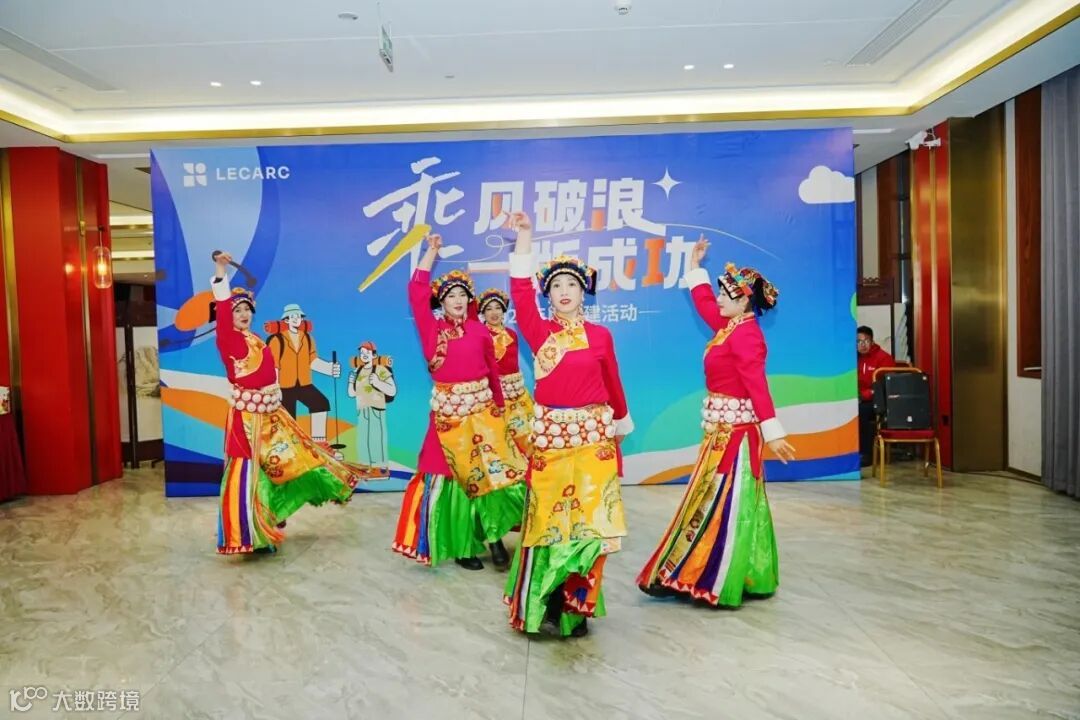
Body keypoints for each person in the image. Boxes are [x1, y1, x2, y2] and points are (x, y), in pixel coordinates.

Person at [637, 237, 795, 608]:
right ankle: (691, 570)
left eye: (726, 294)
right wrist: (694, 265)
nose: (719, 299)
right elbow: (705, 302)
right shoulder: (729, 327)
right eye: (721, 293)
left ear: (744, 301)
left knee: (727, 504)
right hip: (719, 435)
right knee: (709, 500)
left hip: (737, 440)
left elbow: (757, 386)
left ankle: (716, 577)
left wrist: (773, 432)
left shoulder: (747, 336)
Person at [503, 211, 633, 639]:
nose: (564, 292)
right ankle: (548, 599)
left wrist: (620, 424)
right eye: (556, 285)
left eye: (571, 285)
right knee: (549, 523)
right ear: (548, 294)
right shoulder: (539, 332)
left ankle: (577, 605)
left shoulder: (601, 336)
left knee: (592, 526)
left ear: (583, 293)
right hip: (553, 444)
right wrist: (525, 236)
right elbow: (519, 291)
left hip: (594, 442)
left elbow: (613, 383)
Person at [209, 251, 367, 555]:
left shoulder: (256, 340)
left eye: (247, 309)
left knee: (288, 461)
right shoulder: (228, 339)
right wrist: (220, 272)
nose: (243, 314)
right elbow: (223, 307)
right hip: (247, 421)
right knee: (250, 471)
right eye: (237, 310)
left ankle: (274, 513)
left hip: (272, 413)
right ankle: (251, 530)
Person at [392, 234, 527, 571]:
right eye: (450, 295)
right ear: (441, 301)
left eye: (462, 295)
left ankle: (495, 538)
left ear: (470, 300)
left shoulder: (480, 331)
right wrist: (432, 251)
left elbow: (492, 372)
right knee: (450, 478)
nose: (457, 300)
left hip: (483, 414)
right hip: (447, 420)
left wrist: (499, 407)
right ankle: (464, 546)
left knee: (491, 474)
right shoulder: (432, 329)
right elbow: (416, 291)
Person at [265, 304, 341, 449]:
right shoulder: (276, 340)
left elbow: (312, 361)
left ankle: (320, 444)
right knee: (288, 417)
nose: (296, 319)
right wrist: (275, 388)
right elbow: (274, 366)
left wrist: (330, 369)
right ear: (286, 320)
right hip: (284, 386)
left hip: (304, 383)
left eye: (299, 316)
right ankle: (289, 448)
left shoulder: (308, 338)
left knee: (321, 403)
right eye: (292, 316)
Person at [477, 288, 534, 456]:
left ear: (503, 311)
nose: (494, 313)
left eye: (498, 308)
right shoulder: (480, 335)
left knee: (526, 433)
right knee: (499, 437)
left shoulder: (511, 334)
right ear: (483, 313)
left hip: (517, 394)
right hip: (494, 394)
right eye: (489, 309)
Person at [347, 341, 397, 474]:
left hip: (376, 408)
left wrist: (378, 382)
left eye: (367, 352)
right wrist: (350, 382)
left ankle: (380, 468)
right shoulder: (358, 370)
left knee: (377, 437)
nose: (364, 355)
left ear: (374, 355)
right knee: (363, 438)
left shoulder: (380, 370)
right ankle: (364, 467)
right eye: (362, 352)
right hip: (361, 409)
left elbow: (392, 390)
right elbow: (352, 393)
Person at [857, 326, 895, 467]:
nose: (862, 345)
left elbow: (886, 386)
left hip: (876, 400)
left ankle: (866, 454)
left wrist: (864, 395)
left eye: (866, 341)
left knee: (861, 412)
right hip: (856, 398)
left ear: (872, 341)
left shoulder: (884, 358)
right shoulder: (852, 358)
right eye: (858, 341)